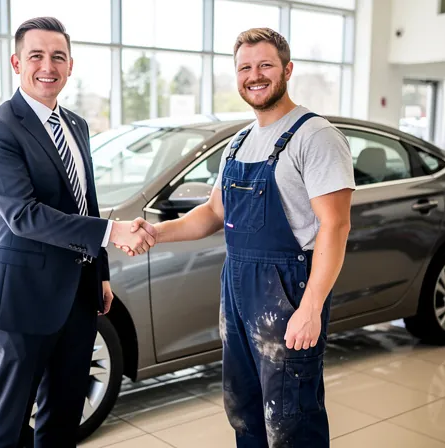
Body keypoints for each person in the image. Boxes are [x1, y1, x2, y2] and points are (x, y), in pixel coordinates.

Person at [120, 27, 354, 447]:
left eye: (265, 65)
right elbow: (212, 213)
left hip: (288, 294)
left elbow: (335, 226)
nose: (255, 75)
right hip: (239, 291)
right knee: (244, 409)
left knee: (290, 416)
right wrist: (156, 231)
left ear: (287, 69)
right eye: (245, 67)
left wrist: (312, 306)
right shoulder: (239, 142)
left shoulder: (314, 136)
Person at [0, 17, 156, 448]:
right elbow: (24, 215)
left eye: (58, 57)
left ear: (71, 66)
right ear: (17, 62)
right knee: (11, 421)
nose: (47, 66)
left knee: (64, 414)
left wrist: (101, 274)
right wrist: (113, 233)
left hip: (78, 293)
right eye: (36, 56)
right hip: (22, 297)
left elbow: (83, 201)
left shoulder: (76, 124)